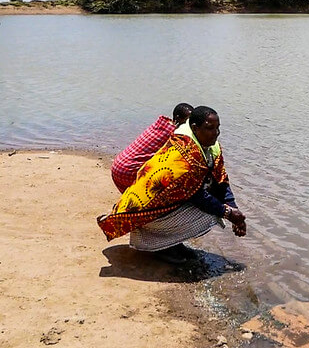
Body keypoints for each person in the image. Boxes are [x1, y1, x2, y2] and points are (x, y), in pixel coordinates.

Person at [97, 106, 247, 264]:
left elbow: (221, 180)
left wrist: (235, 210)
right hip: (146, 212)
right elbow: (198, 197)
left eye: (218, 128)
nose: (216, 133)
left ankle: (173, 243)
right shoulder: (183, 155)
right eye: (210, 128)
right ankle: (162, 247)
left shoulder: (210, 147)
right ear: (195, 129)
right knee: (211, 212)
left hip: (164, 203)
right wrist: (229, 213)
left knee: (214, 200)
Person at [111, 103, 193, 193]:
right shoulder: (174, 135)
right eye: (188, 121)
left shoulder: (161, 125)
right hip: (129, 171)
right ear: (178, 118)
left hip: (118, 166)